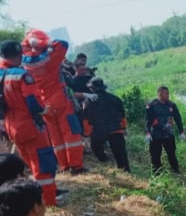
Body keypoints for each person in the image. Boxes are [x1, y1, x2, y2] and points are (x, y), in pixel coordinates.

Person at [0, 40, 58, 206]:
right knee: (44, 166)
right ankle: (48, 202)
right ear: (18, 54)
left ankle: (36, 199)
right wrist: (45, 110)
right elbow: (33, 104)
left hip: (11, 127)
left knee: (31, 165)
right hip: (30, 126)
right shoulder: (22, 75)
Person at [21, 29, 87, 175]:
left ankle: (64, 165)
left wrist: (29, 42)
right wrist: (44, 42)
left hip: (44, 103)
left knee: (55, 136)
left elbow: (24, 48)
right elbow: (62, 44)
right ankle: (76, 166)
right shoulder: (50, 59)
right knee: (71, 132)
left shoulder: (25, 62)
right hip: (59, 99)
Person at [82, 77, 130, 172]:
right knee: (122, 156)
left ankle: (104, 160)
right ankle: (126, 173)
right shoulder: (115, 99)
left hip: (99, 132)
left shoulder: (88, 102)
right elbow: (122, 116)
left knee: (96, 147)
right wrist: (124, 128)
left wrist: (87, 135)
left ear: (92, 88)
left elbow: (86, 120)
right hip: (116, 130)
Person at [145, 86, 185, 174]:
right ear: (160, 94)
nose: (168, 95)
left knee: (171, 153)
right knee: (155, 154)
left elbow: (178, 118)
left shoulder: (171, 105)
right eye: (166, 93)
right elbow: (148, 120)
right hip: (155, 134)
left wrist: (181, 131)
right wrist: (147, 132)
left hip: (168, 134)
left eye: (168, 93)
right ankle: (157, 171)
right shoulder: (152, 105)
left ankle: (175, 168)